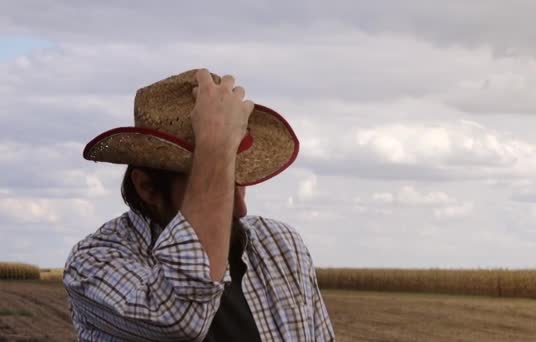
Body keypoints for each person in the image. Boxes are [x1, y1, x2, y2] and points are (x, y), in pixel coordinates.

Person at [63, 69, 335, 341]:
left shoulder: (281, 244)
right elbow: (181, 317)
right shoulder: (94, 260)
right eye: (217, 181)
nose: (241, 208)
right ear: (146, 187)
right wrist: (214, 146)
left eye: (237, 174)